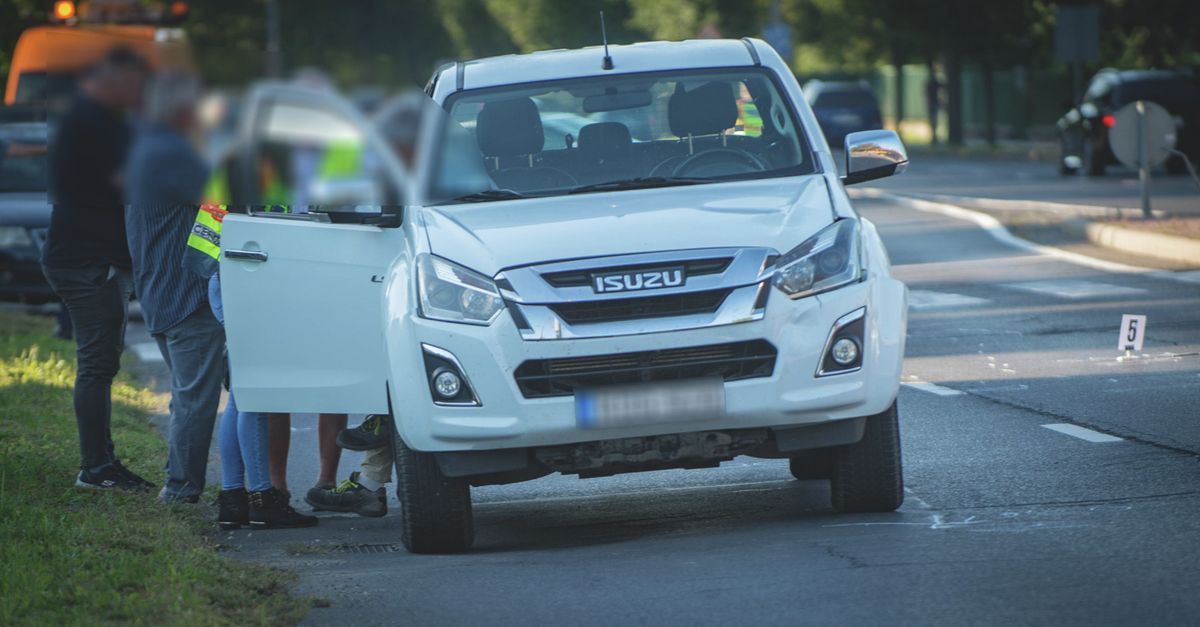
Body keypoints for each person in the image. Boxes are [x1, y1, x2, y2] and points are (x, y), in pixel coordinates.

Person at [41, 46, 153, 491]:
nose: (136, 92)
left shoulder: (94, 119)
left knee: (101, 363)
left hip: (86, 258)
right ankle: (96, 467)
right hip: (86, 262)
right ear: (110, 79)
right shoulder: (93, 122)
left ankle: (102, 461)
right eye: (132, 84)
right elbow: (127, 182)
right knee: (96, 363)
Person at [123, 70, 223, 503]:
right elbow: (223, 197)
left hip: (160, 290)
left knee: (189, 394)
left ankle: (179, 480)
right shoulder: (174, 153)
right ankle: (181, 489)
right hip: (186, 295)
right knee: (195, 399)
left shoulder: (147, 148)